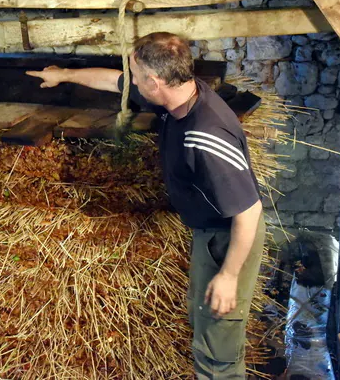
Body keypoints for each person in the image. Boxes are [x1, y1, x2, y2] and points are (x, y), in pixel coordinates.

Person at [27, 32, 265, 379]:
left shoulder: (206, 133)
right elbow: (114, 82)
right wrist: (63, 74)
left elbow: (249, 211)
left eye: (137, 76)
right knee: (205, 321)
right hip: (209, 231)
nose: (131, 80)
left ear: (154, 82)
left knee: (220, 348)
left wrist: (229, 275)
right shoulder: (178, 91)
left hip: (229, 237)